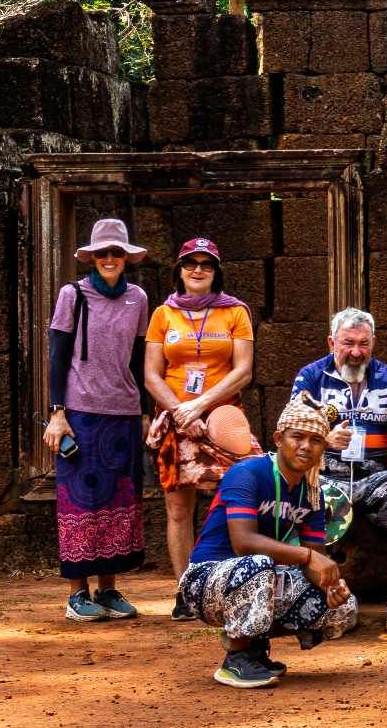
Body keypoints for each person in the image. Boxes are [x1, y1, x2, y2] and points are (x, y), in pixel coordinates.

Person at [176, 393, 359, 689]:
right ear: (278, 438)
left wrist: (330, 584)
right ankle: (236, 659)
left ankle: (254, 645)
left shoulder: (312, 492)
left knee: (343, 607)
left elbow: (315, 559)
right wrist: (308, 558)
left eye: (315, 441)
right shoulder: (246, 473)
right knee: (260, 564)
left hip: (258, 577)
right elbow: (243, 542)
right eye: (297, 437)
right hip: (204, 580)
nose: (305, 446)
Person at [289, 307, 387, 635]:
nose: (355, 352)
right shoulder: (311, 376)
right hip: (324, 476)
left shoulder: (386, 376)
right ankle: (321, 601)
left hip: (374, 475)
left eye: (363, 344)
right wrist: (323, 436)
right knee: (296, 501)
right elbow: (292, 426)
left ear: (373, 343)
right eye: (347, 343)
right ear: (331, 342)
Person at [144, 236, 256, 619]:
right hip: (176, 420)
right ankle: (186, 591)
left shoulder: (235, 312)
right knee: (178, 508)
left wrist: (200, 407)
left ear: (216, 271)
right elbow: (151, 374)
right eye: (190, 263)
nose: (197, 270)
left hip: (223, 419)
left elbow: (243, 370)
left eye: (206, 264)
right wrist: (179, 411)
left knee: (233, 499)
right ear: (179, 270)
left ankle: (226, 585)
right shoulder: (163, 314)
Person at [45, 217, 150, 621]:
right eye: (103, 252)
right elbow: (58, 355)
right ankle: (77, 593)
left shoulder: (138, 298)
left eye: (116, 253)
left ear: (126, 259)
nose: (110, 258)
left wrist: (143, 412)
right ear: (92, 257)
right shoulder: (73, 294)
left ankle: (108, 589)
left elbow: (139, 358)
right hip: (81, 412)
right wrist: (58, 413)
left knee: (120, 500)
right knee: (81, 502)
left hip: (123, 412)